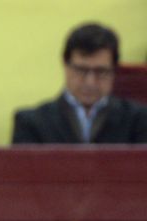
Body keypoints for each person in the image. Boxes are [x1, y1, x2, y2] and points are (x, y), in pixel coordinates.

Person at [12, 23, 147, 144]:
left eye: (101, 71)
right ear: (65, 66)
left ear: (114, 71)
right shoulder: (32, 123)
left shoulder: (138, 121)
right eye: (81, 70)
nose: (90, 82)